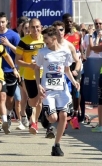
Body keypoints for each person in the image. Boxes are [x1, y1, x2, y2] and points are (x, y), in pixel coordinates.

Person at [35, 27, 79, 156]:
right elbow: (37, 69)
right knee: (53, 118)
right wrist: (38, 85)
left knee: (64, 115)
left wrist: (73, 81)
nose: (44, 41)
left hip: (61, 88)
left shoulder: (65, 52)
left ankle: (57, 145)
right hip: (47, 89)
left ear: (54, 38)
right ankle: (45, 116)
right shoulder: (43, 52)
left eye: (46, 39)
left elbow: (66, 70)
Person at [15, 18, 45, 135]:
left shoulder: (45, 40)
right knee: (33, 103)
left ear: (41, 27)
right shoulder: (24, 41)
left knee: (41, 100)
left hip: (43, 75)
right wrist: (29, 65)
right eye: (33, 27)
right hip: (29, 76)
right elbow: (17, 60)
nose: (35, 29)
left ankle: (34, 122)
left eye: (37, 27)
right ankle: (33, 120)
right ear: (29, 28)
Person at [0, 12, 21, 131]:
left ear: (7, 22)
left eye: (3, 22)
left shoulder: (14, 35)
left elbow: (20, 53)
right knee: (0, 96)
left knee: (9, 98)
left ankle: (8, 115)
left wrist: (8, 44)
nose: (1, 24)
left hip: (10, 70)